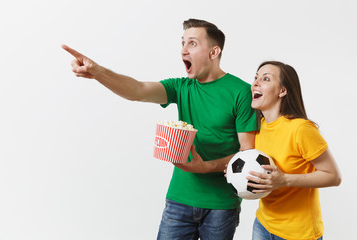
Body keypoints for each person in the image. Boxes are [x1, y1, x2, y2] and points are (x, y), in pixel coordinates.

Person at [62, 19, 258, 240]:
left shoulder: (241, 92)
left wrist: (205, 167)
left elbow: (247, 153)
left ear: (214, 52)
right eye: (182, 43)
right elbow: (137, 90)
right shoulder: (181, 87)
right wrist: (98, 72)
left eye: (192, 43)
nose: (183, 49)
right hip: (179, 199)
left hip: (221, 204)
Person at [247, 61, 342, 240]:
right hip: (263, 224)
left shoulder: (301, 129)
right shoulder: (258, 127)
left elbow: (334, 176)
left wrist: (284, 179)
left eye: (265, 78)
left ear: (282, 91)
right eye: (256, 77)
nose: (255, 83)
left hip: (299, 233)